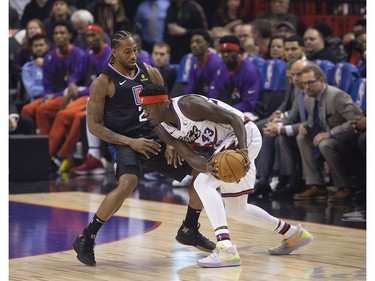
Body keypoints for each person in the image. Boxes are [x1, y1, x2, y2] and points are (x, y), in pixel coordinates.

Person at [72, 30, 215, 266]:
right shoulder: (103, 82)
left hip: (155, 136)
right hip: (124, 140)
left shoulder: (151, 73)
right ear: (114, 51)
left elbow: (166, 109)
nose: (132, 55)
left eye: (135, 50)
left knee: (199, 172)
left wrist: (172, 141)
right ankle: (87, 237)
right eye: (126, 51)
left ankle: (189, 228)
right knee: (128, 182)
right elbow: (94, 127)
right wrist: (130, 142)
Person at [139, 84, 313, 268]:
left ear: (161, 104)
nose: (145, 113)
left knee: (202, 184)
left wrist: (244, 151)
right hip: (227, 145)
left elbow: (234, 119)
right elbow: (191, 157)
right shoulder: (162, 129)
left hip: (244, 134)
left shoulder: (188, 105)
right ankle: (294, 234)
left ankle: (225, 248)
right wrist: (206, 165)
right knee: (236, 210)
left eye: (147, 108)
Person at [293, 63, 364, 201]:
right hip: (323, 134)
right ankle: (316, 185)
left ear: (321, 81)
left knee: (325, 144)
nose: (307, 87)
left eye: (311, 83)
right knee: (301, 138)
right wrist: (306, 126)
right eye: (304, 83)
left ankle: (345, 186)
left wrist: (330, 133)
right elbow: (314, 119)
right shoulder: (308, 97)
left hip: (343, 136)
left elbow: (357, 120)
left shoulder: (337, 96)